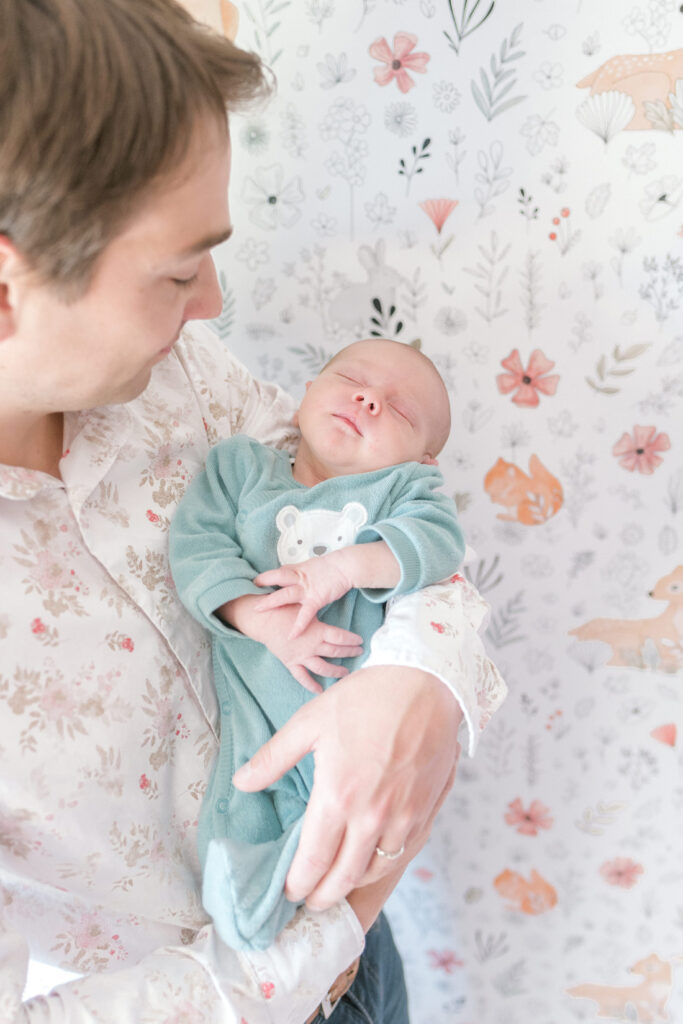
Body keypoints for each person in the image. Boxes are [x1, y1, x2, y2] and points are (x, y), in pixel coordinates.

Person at [0, 1, 507, 1021]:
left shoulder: (179, 380)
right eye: (177, 270)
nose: (212, 303)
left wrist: (420, 676)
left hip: (367, 968)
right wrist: (339, 922)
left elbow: (386, 510)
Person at [169, 337, 467, 951]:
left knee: (336, 818)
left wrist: (343, 568)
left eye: (399, 410)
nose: (368, 399)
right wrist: (258, 617)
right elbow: (197, 547)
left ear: (424, 460)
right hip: (257, 697)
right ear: (305, 397)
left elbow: (439, 544)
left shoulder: (402, 490)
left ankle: (284, 917)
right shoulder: (240, 468)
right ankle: (248, 910)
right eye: (351, 380)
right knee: (244, 796)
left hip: (353, 714)